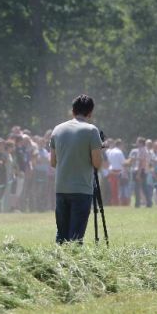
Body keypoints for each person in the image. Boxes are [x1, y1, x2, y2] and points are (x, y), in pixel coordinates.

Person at [50, 95, 103, 244]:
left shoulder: (57, 129)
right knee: (75, 237)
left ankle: (58, 264)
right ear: (90, 112)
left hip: (61, 188)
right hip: (81, 189)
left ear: (72, 111)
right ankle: (72, 265)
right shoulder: (92, 130)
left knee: (62, 235)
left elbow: (53, 162)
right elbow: (97, 163)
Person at [105, 139, 125, 206]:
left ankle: (112, 202)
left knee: (112, 188)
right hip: (118, 171)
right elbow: (123, 163)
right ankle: (116, 203)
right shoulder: (119, 152)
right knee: (117, 188)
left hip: (111, 171)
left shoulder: (110, 151)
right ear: (120, 145)